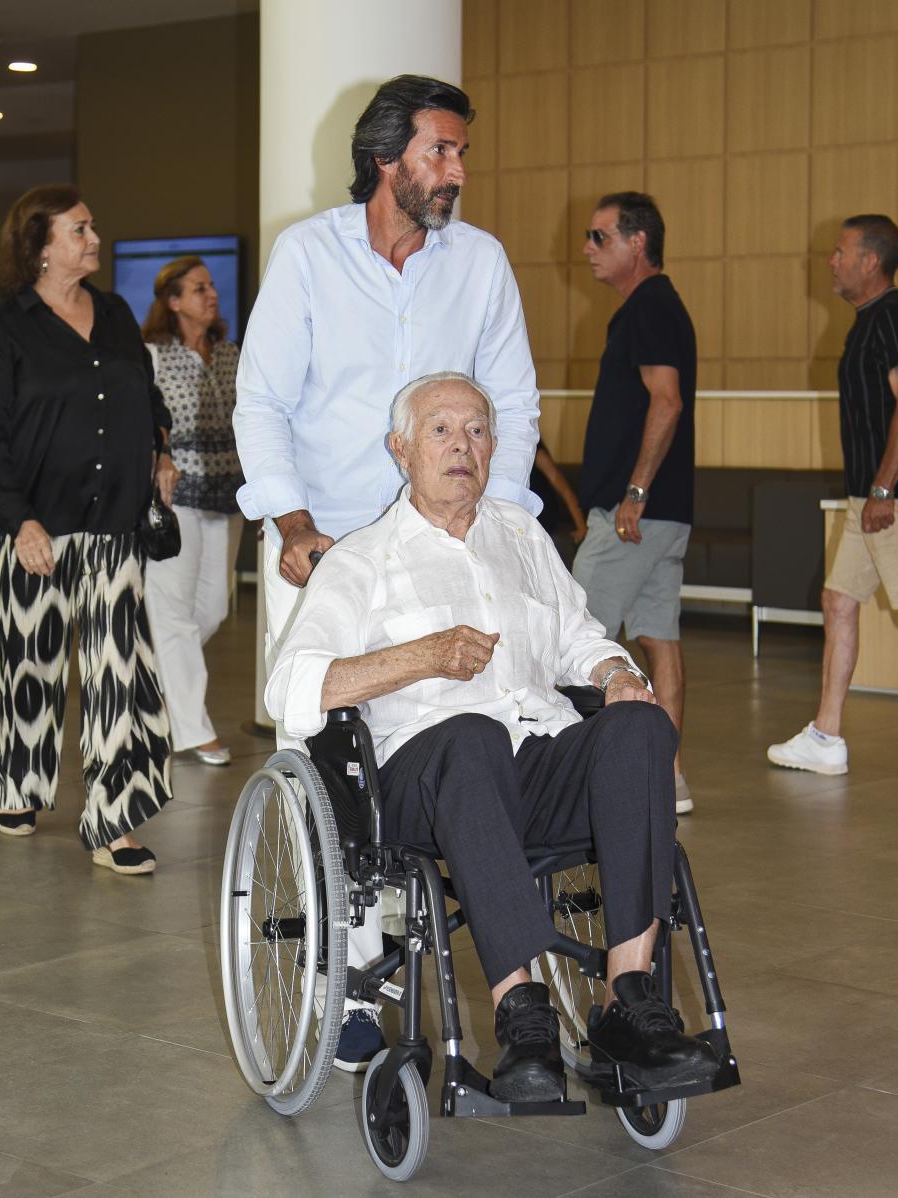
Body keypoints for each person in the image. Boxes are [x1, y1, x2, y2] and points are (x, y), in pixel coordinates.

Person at [267, 373, 718, 1101]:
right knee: (470, 733)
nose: (461, 446)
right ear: (401, 449)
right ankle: (524, 1012)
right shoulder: (362, 559)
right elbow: (290, 687)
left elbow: (580, 637)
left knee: (638, 726)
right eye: (441, 430)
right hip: (426, 780)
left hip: (535, 761)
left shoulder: (520, 533)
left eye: (476, 430)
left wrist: (615, 675)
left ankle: (629, 1003)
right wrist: (422, 657)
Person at [234, 73, 540, 1069]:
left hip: (436, 547)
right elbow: (263, 402)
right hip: (320, 548)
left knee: (452, 734)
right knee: (336, 764)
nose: (455, 171)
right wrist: (290, 519)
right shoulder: (309, 255)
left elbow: (516, 407)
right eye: (439, 152)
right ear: (387, 158)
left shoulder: (480, 263)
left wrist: (502, 527)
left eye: (459, 152)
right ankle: (356, 973)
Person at [0, 184, 178, 875]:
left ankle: (115, 821)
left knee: (119, 673)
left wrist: (161, 451)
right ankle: (20, 783)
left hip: (115, 520)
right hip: (37, 526)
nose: (94, 238)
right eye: (80, 229)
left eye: (91, 226)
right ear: (40, 244)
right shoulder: (8, 327)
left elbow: (144, 395)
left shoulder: (115, 313)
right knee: (28, 664)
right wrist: (17, 517)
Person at [570, 192, 697, 815]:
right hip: (660, 516)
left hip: (635, 514)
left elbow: (666, 401)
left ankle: (569, 783)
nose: (588, 249)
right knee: (658, 639)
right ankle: (667, 782)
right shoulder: (655, 307)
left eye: (599, 237)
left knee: (573, 636)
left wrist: (634, 493)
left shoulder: (649, 306)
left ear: (637, 242)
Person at [768, 215, 898, 775]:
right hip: (863, 500)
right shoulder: (865, 322)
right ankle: (826, 736)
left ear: (871, 261)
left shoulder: (891, 317)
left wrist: (884, 487)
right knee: (839, 601)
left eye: (841, 252)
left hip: (886, 499)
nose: (831, 261)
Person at [141, 256, 244, 766]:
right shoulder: (153, 356)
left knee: (213, 610)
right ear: (173, 301)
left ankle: (150, 681)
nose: (212, 294)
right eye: (198, 288)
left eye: (212, 287)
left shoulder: (229, 354)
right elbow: (143, 423)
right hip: (173, 499)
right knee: (174, 616)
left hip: (226, 497)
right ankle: (191, 726)